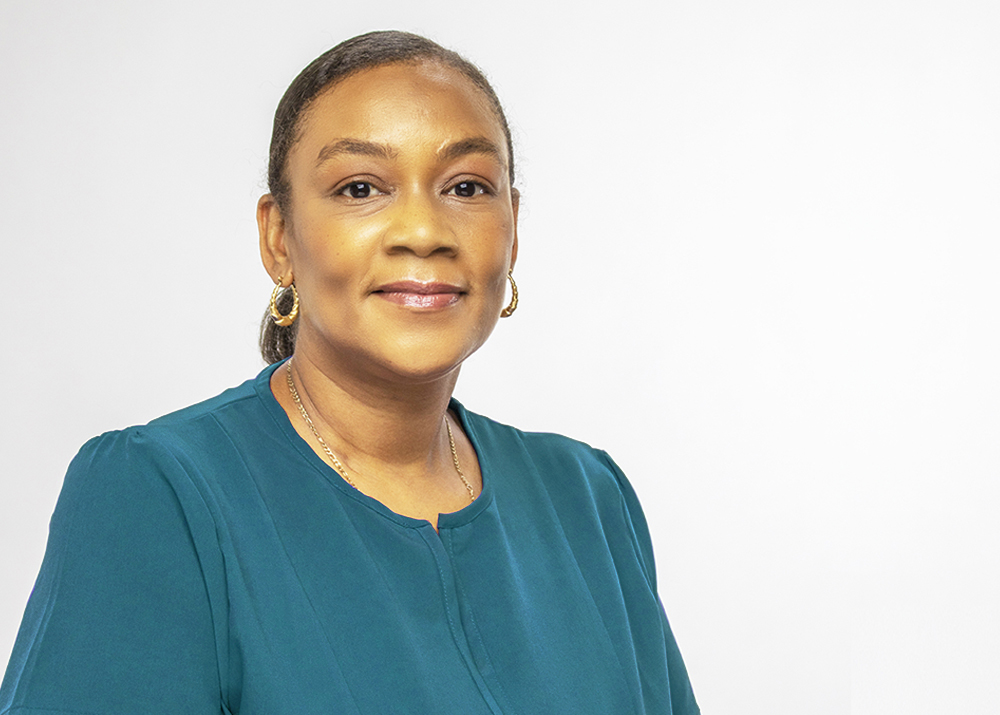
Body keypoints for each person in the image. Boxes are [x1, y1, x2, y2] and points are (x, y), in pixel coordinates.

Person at [0, 30, 699, 714]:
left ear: (512, 227)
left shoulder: (588, 501)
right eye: (361, 187)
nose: (423, 231)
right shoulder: (160, 496)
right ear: (279, 238)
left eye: (466, 186)